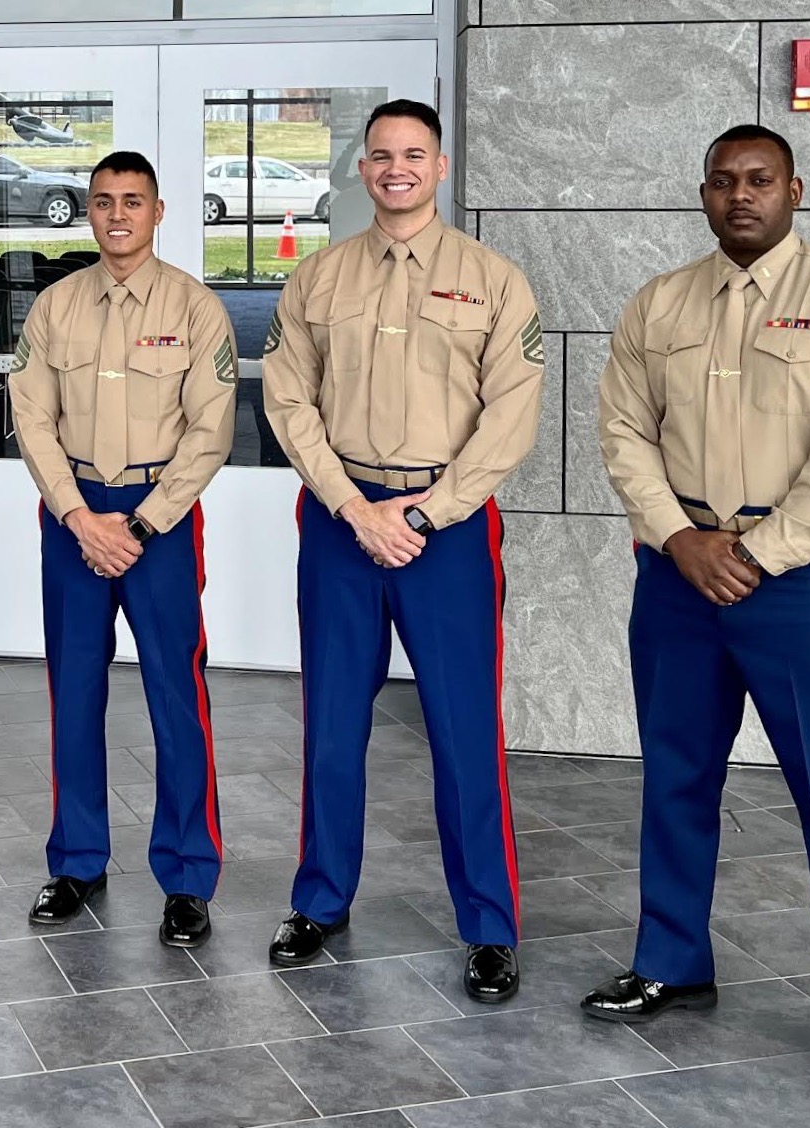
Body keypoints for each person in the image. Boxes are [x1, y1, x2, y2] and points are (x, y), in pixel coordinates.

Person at [587, 124, 810, 1120]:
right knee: (675, 779)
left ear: (792, 189)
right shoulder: (660, 304)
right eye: (723, 182)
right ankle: (670, 961)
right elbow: (619, 430)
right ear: (701, 194)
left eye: (759, 181)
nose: (741, 197)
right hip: (678, 572)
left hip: (805, 579)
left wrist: (757, 555)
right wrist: (675, 537)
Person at [259, 99, 544, 1004]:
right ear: (360, 168)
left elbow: (511, 416)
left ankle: (489, 926)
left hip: (447, 530)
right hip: (341, 523)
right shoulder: (319, 279)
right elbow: (286, 400)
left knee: (464, 731)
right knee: (332, 723)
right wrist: (350, 504)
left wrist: (426, 514)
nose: (394, 169)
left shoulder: (493, 281)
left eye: (412, 154)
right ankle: (319, 901)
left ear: (440, 165)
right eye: (379, 155)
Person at [9, 151, 237, 948]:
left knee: (177, 699)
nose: (115, 215)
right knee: (73, 694)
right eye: (102, 201)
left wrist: (138, 525)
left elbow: (210, 432)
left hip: (158, 523)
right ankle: (76, 862)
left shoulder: (195, 307)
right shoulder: (54, 308)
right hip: (74, 518)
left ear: (157, 211)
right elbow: (30, 417)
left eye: (131, 201)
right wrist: (77, 517)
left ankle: (185, 877)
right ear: (88, 211)